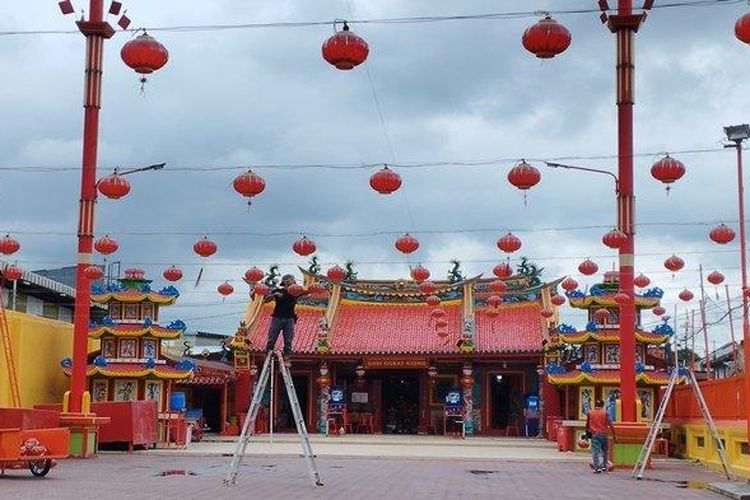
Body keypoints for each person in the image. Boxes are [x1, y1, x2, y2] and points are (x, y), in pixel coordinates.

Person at [264, 274, 308, 356]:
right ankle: (268, 353)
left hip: (289, 318)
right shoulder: (278, 291)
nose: (288, 284)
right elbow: (266, 300)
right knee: (272, 338)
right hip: (277, 317)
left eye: (290, 282)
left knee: (288, 340)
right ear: (283, 283)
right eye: (286, 282)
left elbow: (307, 291)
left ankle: (287, 356)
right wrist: (274, 295)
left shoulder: (295, 292)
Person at [585, 399, 618, 474]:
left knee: (595, 451)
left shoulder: (590, 413)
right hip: (604, 434)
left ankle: (597, 468)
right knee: (605, 451)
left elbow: (587, 425)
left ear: (595, 405)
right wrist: (614, 435)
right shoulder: (605, 413)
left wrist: (587, 435)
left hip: (595, 434)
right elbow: (610, 424)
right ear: (603, 405)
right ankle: (604, 467)